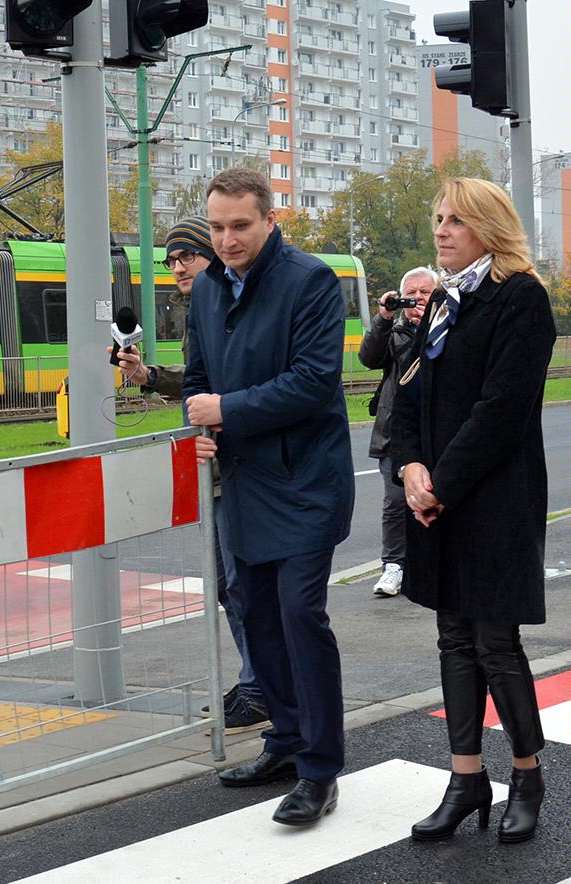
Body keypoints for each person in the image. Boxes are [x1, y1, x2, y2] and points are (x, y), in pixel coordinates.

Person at [182, 168, 354, 827]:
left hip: (306, 482)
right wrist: (196, 426)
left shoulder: (308, 281)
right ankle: (284, 740)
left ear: (269, 220)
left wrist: (225, 408)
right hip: (245, 482)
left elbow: (314, 383)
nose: (226, 239)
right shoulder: (204, 292)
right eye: (217, 227)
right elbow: (196, 384)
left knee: (298, 614)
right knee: (252, 611)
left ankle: (320, 770)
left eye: (239, 227)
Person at [391, 178, 553, 844]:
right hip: (439, 500)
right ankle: (464, 782)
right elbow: (407, 395)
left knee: (496, 643)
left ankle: (527, 774)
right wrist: (408, 469)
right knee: (453, 640)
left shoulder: (521, 298)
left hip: (494, 501)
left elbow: (501, 412)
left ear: (490, 225)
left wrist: (440, 484)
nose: (441, 229)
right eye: (437, 219)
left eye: (455, 219)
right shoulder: (443, 303)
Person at [112, 217, 270, 735]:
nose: (177, 267)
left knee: (242, 586)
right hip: (212, 468)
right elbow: (201, 379)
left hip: (236, 470)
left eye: (187, 257)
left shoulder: (230, 306)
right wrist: (148, 376)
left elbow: (244, 385)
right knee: (229, 585)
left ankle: (260, 688)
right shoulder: (203, 307)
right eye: (171, 260)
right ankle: (256, 681)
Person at [358, 267, 438, 597]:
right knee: (394, 502)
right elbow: (368, 358)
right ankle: (393, 565)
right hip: (394, 432)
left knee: (433, 500)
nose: (417, 298)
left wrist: (430, 324)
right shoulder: (394, 329)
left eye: (425, 292)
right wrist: (383, 317)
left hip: (436, 431)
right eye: (411, 293)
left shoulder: (449, 325)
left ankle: (429, 566)